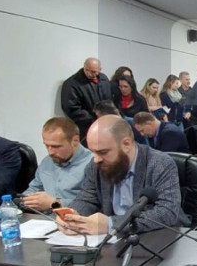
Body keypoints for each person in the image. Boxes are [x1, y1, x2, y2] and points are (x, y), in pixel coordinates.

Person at [58, 115, 186, 235]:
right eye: (93, 152)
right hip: (112, 240)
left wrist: (110, 224)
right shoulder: (95, 165)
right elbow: (86, 198)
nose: (96, 159)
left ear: (126, 144)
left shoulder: (160, 163)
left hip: (155, 236)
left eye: (103, 152)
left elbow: (166, 213)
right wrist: (72, 215)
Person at [20, 117, 93, 211]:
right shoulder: (47, 162)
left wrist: (54, 203)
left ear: (75, 141)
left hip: (76, 217)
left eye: (56, 146)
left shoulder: (92, 164)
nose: (50, 152)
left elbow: (92, 205)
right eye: (47, 146)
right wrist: (24, 200)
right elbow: (34, 188)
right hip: (45, 218)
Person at [61, 57, 112, 143]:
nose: (90, 73)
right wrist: (92, 120)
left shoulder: (104, 79)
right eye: (87, 70)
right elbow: (71, 108)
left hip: (105, 124)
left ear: (100, 69)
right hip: (85, 128)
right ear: (84, 67)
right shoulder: (72, 83)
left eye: (94, 71)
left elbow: (109, 100)